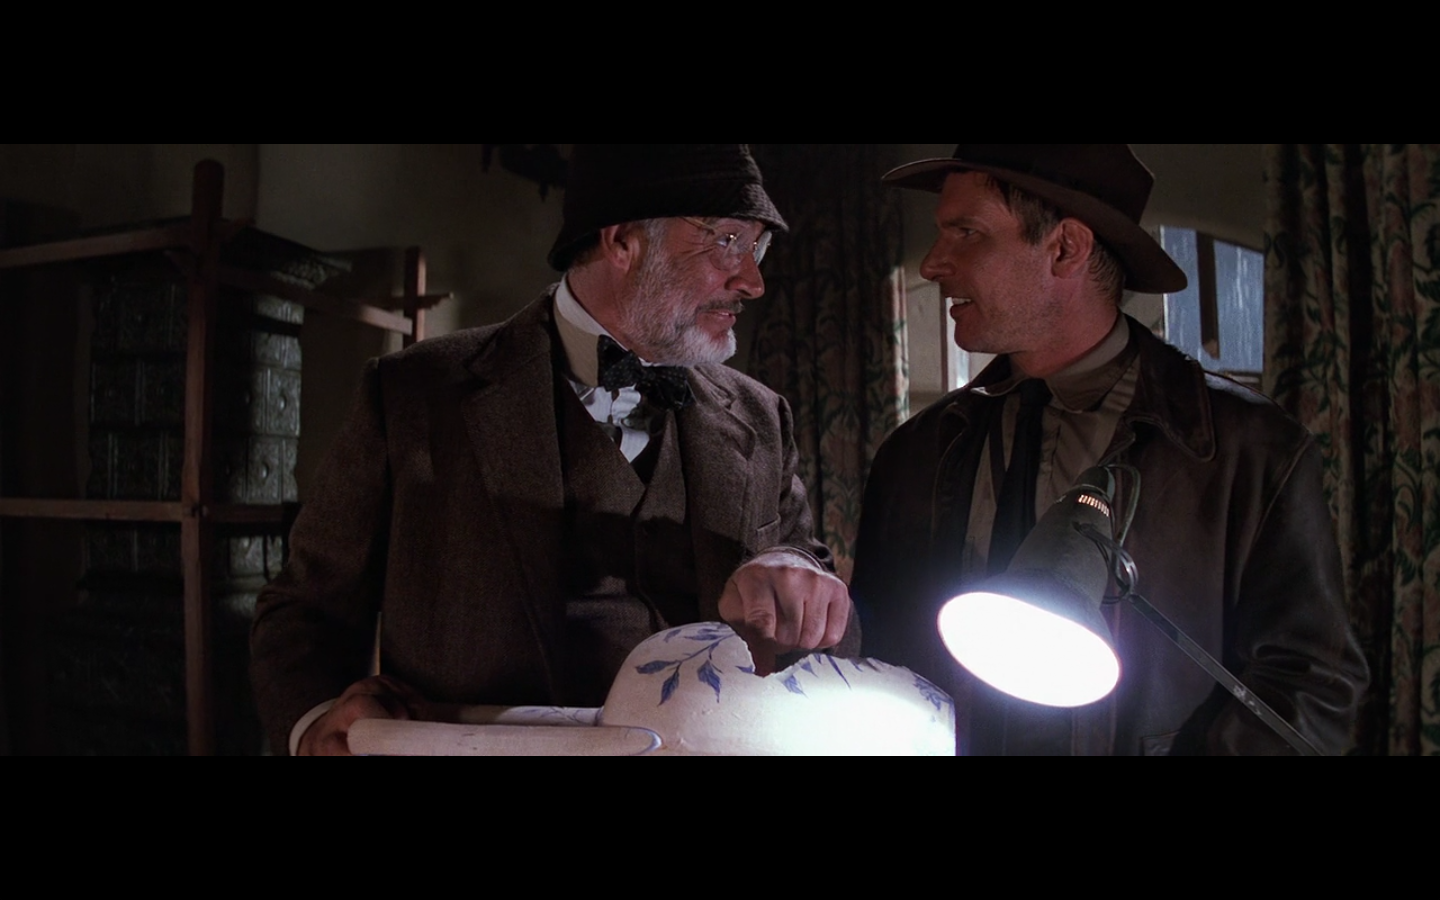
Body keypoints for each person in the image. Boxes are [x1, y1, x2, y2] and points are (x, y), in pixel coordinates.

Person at [251, 144, 856, 756]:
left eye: (756, 248)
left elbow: (822, 607)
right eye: (727, 241)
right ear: (623, 243)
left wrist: (802, 586)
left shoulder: (761, 416)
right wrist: (317, 720)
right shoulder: (412, 394)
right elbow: (305, 610)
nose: (752, 281)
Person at [851, 144, 1368, 755]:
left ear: (1066, 248)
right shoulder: (914, 454)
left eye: (967, 232)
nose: (934, 262)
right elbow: (878, 657)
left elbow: (1310, 687)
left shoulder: (1247, 452)